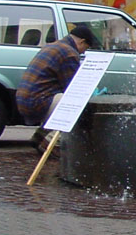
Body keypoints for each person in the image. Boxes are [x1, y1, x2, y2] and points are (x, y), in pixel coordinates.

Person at [16, 24, 98, 153]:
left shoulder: (52, 46)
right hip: (36, 102)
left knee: (59, 98)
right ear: (82, 41)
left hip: (23, 100)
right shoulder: (69, 53)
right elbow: (72, 88)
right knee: (74, 106)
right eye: (85, 48)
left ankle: (39, 137)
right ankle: (50, 142)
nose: (83, 52)